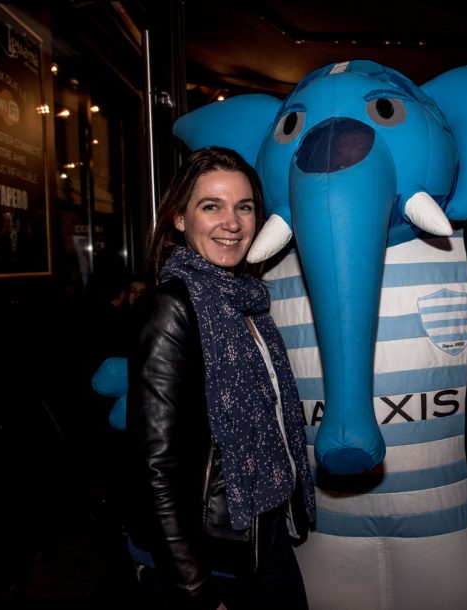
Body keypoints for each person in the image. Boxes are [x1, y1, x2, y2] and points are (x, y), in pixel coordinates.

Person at [126, 147, 316, 610]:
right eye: (211, 206)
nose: (232, 223)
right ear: (178, 218)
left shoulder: (248, 302)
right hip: (208, 553)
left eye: (244, 207)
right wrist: (194, 590)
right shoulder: (173, 307)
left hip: (258, 534)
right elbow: (154, 466)